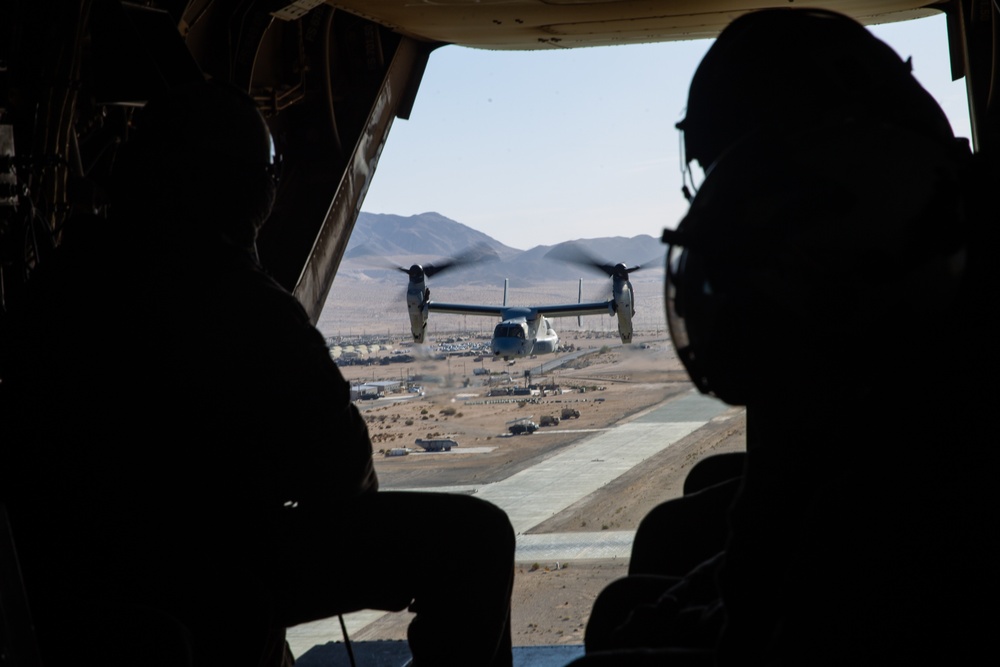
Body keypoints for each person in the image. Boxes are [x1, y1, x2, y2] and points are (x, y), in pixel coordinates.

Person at [0, 80, 514, 666]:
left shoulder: (58, 283)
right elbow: (342, 475)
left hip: (71, 579)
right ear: (246, 191)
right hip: (211, 568)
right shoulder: (240, 303)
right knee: (477, 538)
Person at [574, 7, 998, 665]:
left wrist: (689, 612)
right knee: (664, 541)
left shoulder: (845, 314)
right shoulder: (901, 273)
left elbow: (788, 562)